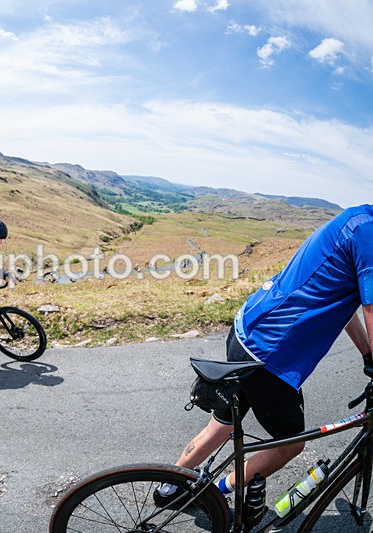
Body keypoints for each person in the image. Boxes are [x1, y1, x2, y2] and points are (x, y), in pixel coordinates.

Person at [156, 205, 373, 504]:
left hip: (247, 328)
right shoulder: (369, 236)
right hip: (270, 353)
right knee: (290, 445)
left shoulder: (354, 218)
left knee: (220, 427)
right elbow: (371, 311)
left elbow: (344, 306)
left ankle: (168, 486)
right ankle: (213, 495)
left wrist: (366, 355)